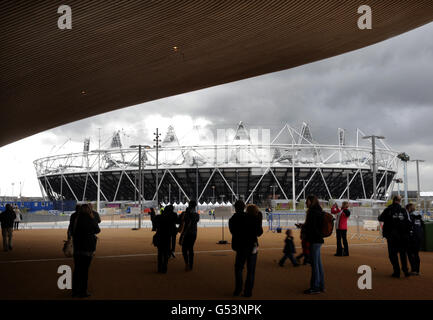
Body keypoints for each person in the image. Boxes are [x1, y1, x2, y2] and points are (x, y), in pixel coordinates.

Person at [229, 201, 263, 297]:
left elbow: (232, 232)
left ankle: (238, 289)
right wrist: (259, 218)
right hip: (253, 246)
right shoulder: (252, 218)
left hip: (241, 247)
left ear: (235, 208)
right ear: (244, 207)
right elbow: (259, 233)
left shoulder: (233, 219)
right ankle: (248, 292)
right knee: (251, 270)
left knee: (239, 268)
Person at [69, 203, 100, 298]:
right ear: (88, 210)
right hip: (87, 248)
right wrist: (92, 218)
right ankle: (83, 291)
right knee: (84, 271)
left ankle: (74, 291)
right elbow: (97, 230)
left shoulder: (75, 219)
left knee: (77, 270)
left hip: (77, 247)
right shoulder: (89, 219)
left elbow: (70, 231)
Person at [378, 195, 411, 278]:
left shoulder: (388, 209)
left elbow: (380, 218)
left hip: (392, 236)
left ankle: (397, 272)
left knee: (393, 254)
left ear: (393, 200)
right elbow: (409, 222)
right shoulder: (404, 210)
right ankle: (405, 271)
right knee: (403, 254)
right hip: (403, 236)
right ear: (399, 201)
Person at [303, 195, 325, 294]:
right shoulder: (319, 211)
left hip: (314, 240)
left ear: (311, 202)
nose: (306, 203)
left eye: (307, 201)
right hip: (319, 239)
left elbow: (311, 227)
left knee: (314, 265)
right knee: (318, 264)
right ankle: (321, 285)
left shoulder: (311, 212)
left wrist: (304, 228)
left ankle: (315, 287)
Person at [153, 205, 177, 273]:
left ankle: (159, 268)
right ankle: (165, 268)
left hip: (160, 236)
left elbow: (154, 225)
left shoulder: (159, 217)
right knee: (166, 253)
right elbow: (177, 221)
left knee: (160, 253)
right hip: (167, 237)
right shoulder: (172, 217)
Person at [178, 200, 200, 271]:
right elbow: (196, 220)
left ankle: (187, 264)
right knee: (190, 248)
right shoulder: (197, 215)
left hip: (187, 233)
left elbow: (180, 220)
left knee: (184, 249)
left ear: (189, 205)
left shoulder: (186, 213)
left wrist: (186, 213)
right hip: (194, 233)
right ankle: (191, 265)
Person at [407, 203, 424, 275]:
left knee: (410, 254)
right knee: (416, 254)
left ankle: (414, 270)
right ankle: (417, 270)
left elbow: (408, 226)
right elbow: (422, 225)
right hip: (419, 237)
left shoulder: (410, 216)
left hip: (412, 237)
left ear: (409, 209)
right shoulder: (419, 216)